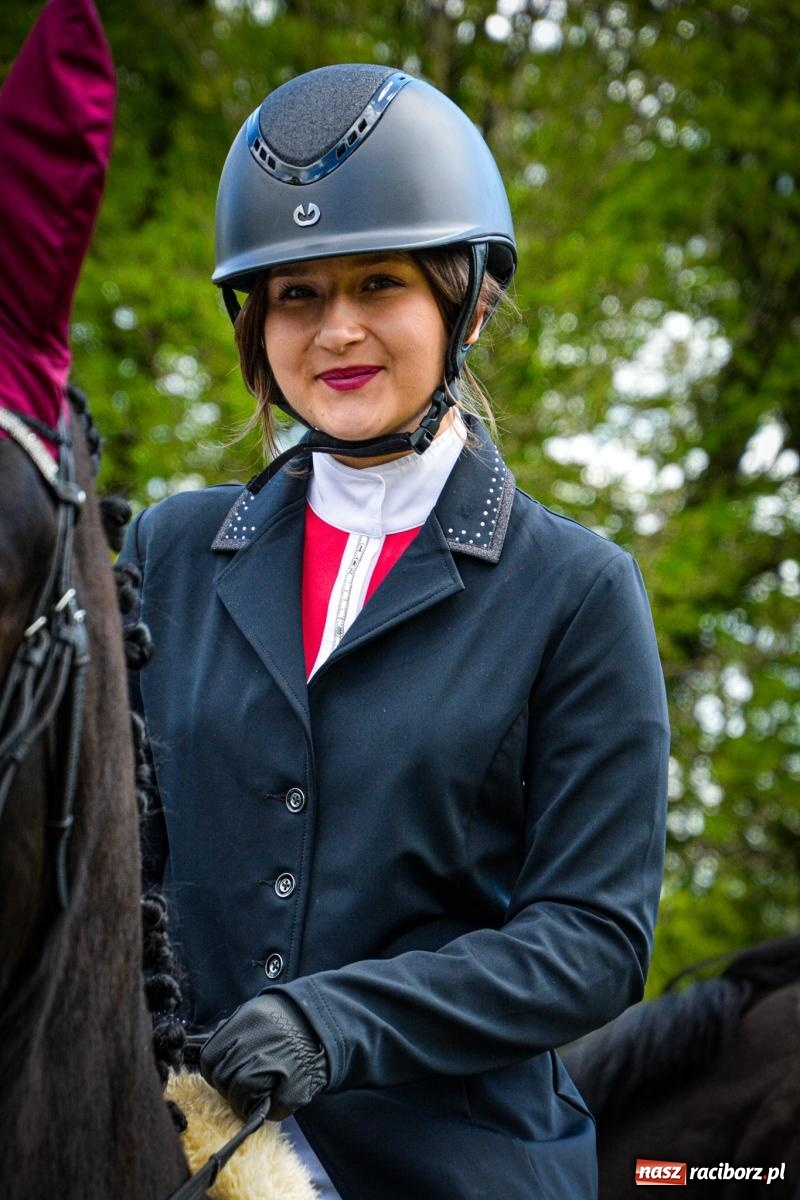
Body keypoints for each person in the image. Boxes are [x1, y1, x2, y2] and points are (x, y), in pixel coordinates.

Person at [121, 64, 670, 1200]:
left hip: (452, 1166)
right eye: (297, 295)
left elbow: (591, 938)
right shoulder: (168, 555)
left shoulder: (576, 590)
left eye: (379, 283)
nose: (337, 331)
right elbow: (117, 868)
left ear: (467, 303)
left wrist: (337, 1024)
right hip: (177, 1151)